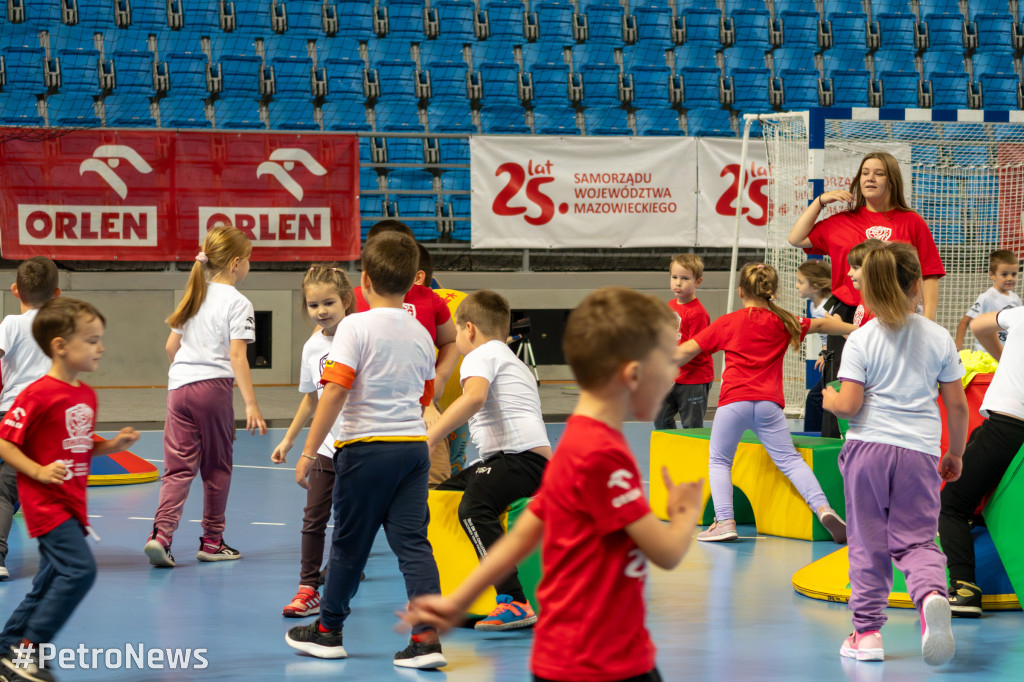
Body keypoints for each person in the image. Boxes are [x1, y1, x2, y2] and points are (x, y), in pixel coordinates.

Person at [400, 286, 705, 682]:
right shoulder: (605, 458)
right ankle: (511, 600)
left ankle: (509, 599)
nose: (675, 378)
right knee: (465, 501)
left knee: (473, 504)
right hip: (609, 660)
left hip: (554, 660)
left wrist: (455, 602)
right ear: (634, 375)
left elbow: (525, 531)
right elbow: (664, 553)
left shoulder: (579, 441)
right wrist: (684, 517)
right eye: (668, 365)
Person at [284, 232, 447, 670]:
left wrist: (308, 450)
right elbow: (425, 394)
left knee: (349, 546)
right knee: (414, 545)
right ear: (413, 283)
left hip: (365, 449)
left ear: (365, 281)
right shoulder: (420, 332)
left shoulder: (354, 326)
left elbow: (335, 391)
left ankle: (327, 630)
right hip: (414, 450)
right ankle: (427, 638)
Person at [823, 242, 968, 665]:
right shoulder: (939, 337)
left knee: (868, 544)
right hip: (919, 454)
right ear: (915, 286)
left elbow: (849, 405)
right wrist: (955, 453)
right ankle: (930, 598)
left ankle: (866, 634)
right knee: (918, 540)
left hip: (868, 449)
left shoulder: (862, 339)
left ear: (869, 288)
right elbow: (957, 405)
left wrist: (830, 400)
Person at [0, 298, 140, 682]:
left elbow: (78, 444)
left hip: (73, 504)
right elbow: (5, 442)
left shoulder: (85, 396)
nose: (101, 347)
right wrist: (37, 471)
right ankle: (28, 651)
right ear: (60, 345)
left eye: (100, 340)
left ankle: (5, 649)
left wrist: (112, 446)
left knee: (47, 581)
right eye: (91, 340)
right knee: (79, 571)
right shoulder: (37, 394)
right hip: (47, 505)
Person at [676, 263, 854, 544]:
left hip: (734, 402)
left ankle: (724, 521)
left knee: (720, 461)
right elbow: (821, 323)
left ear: (740, 291)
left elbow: (685, 351)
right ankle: (824, 509)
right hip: (769, 406)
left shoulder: (728, 322)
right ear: (771, 290)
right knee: (791, 461)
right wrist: (857, 328)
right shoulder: (784, 320)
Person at [787, 151, 945, 438]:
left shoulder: (911, 222)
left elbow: (929, 273)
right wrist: (820, 201)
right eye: (865, 172)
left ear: (892, 180)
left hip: (894, 314)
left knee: (885, 382)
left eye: (879, 173)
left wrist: (929, 322)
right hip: (848, 313)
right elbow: (796, 238)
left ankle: (886, 441)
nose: (870, 178)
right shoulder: (841, 221)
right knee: (841, 383)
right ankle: (838, 446)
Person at [426, 290, 551, 631]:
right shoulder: (512, 359)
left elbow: (475, 398)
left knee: (471, 508)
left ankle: (513, 600)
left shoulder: (480, 355)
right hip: (524, 463)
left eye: (454, 330)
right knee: (443, 496)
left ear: (469, 329)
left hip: (519, 460)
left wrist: (431, 438)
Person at [144, 225, 267, 568]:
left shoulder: (194, 294)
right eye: (249, 260)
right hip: (212, 390)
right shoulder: (240, 302)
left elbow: (172, 347)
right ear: (236, 263)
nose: (249, 266)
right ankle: (212, 541)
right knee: (216, 468)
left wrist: (187, 372)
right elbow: (237, 356)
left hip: (178, 388)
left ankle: (161, 536)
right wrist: (251, 403)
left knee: (177, 469)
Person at [271, 264, 355, 618]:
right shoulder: (311, 347)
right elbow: (311, 399)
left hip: (359, 445)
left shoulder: (360, 334)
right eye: (313, 305)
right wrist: (290, 440)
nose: (321, 311)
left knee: (354, 521)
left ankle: (342, 574)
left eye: (329, 303)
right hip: (324, 448)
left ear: (346, 299)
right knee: (313, 519)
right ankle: (307, 587)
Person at [353, 221, 459, 487]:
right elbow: (323, 343)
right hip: (369, 416)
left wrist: (441, 377)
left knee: (435, 487)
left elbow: (451, 342)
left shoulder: (430, 299)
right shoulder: (352, 298)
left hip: (422, 411)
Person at [939, 304, 1024, 618]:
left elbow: (977, 326)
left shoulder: (1020, 315)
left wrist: (1004, 357)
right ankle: (978, 516)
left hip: (1008, 426)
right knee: (976, 438)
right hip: (1003, 430)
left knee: (950, 504)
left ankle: (964, 588)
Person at [0, 257, 60, 582]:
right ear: (57, 294)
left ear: (14, 290)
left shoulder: (11, 324)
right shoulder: (60, 327)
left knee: (5, 489)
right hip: (50, 417)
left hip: (16, 413)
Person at [654, 254, 713, 430]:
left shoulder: (698, 313)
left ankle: (693, 456)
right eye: (674, 277)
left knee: (691, 425)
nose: (678, 283)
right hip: (672, 376)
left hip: (694, 379)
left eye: (685, 278)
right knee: (660, 417)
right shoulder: (671, 304)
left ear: (698, 282)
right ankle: (672, 452)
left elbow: (693, 349)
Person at [954, 249, 1021, 352]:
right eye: (1004, 274)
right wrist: (958, 345)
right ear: (992, 275)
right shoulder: (986, 297)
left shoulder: (1016, 299)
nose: (1010, 278)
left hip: (1006, 352)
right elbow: (965, 321)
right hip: (985, 352)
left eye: (1013, 274)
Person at [796, 259, 831, 433]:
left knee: (816, 398)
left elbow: (840, 333)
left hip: (841, 357)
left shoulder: (828, 306)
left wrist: (828, 353)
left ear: (815, 287)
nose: (796, 286)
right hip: (831, 355)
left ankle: (816, 437)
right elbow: (828, 336)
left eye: (801, 282)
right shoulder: (812, 304)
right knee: (818, 398)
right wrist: (823, 352)